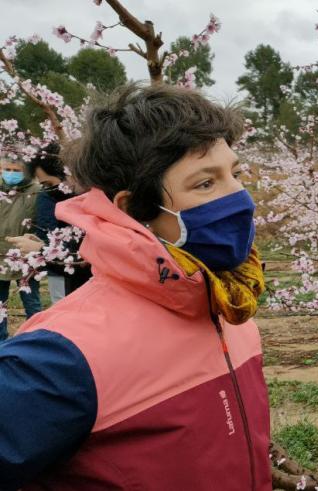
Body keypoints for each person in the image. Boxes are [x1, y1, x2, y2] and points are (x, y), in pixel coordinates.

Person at [0, 83, 271, 489]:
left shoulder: (230, 311)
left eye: (234, 173)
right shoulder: (62, 357)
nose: (239, 197)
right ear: (134, 209)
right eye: (205, 184)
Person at [6, 143, 93, 304]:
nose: (47, 191)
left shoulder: (91, 208)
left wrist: (41, 249)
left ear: (69, 174)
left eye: (47, 184)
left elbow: (84, 261)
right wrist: (42, 245)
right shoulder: (59, 198)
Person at [0, 157, 43, 341]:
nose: (11, 173)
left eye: (16, 170)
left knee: (32, 301)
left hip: (27, 256)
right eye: (7, 169)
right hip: (1, 254)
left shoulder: (37, 192)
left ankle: (35, 339)